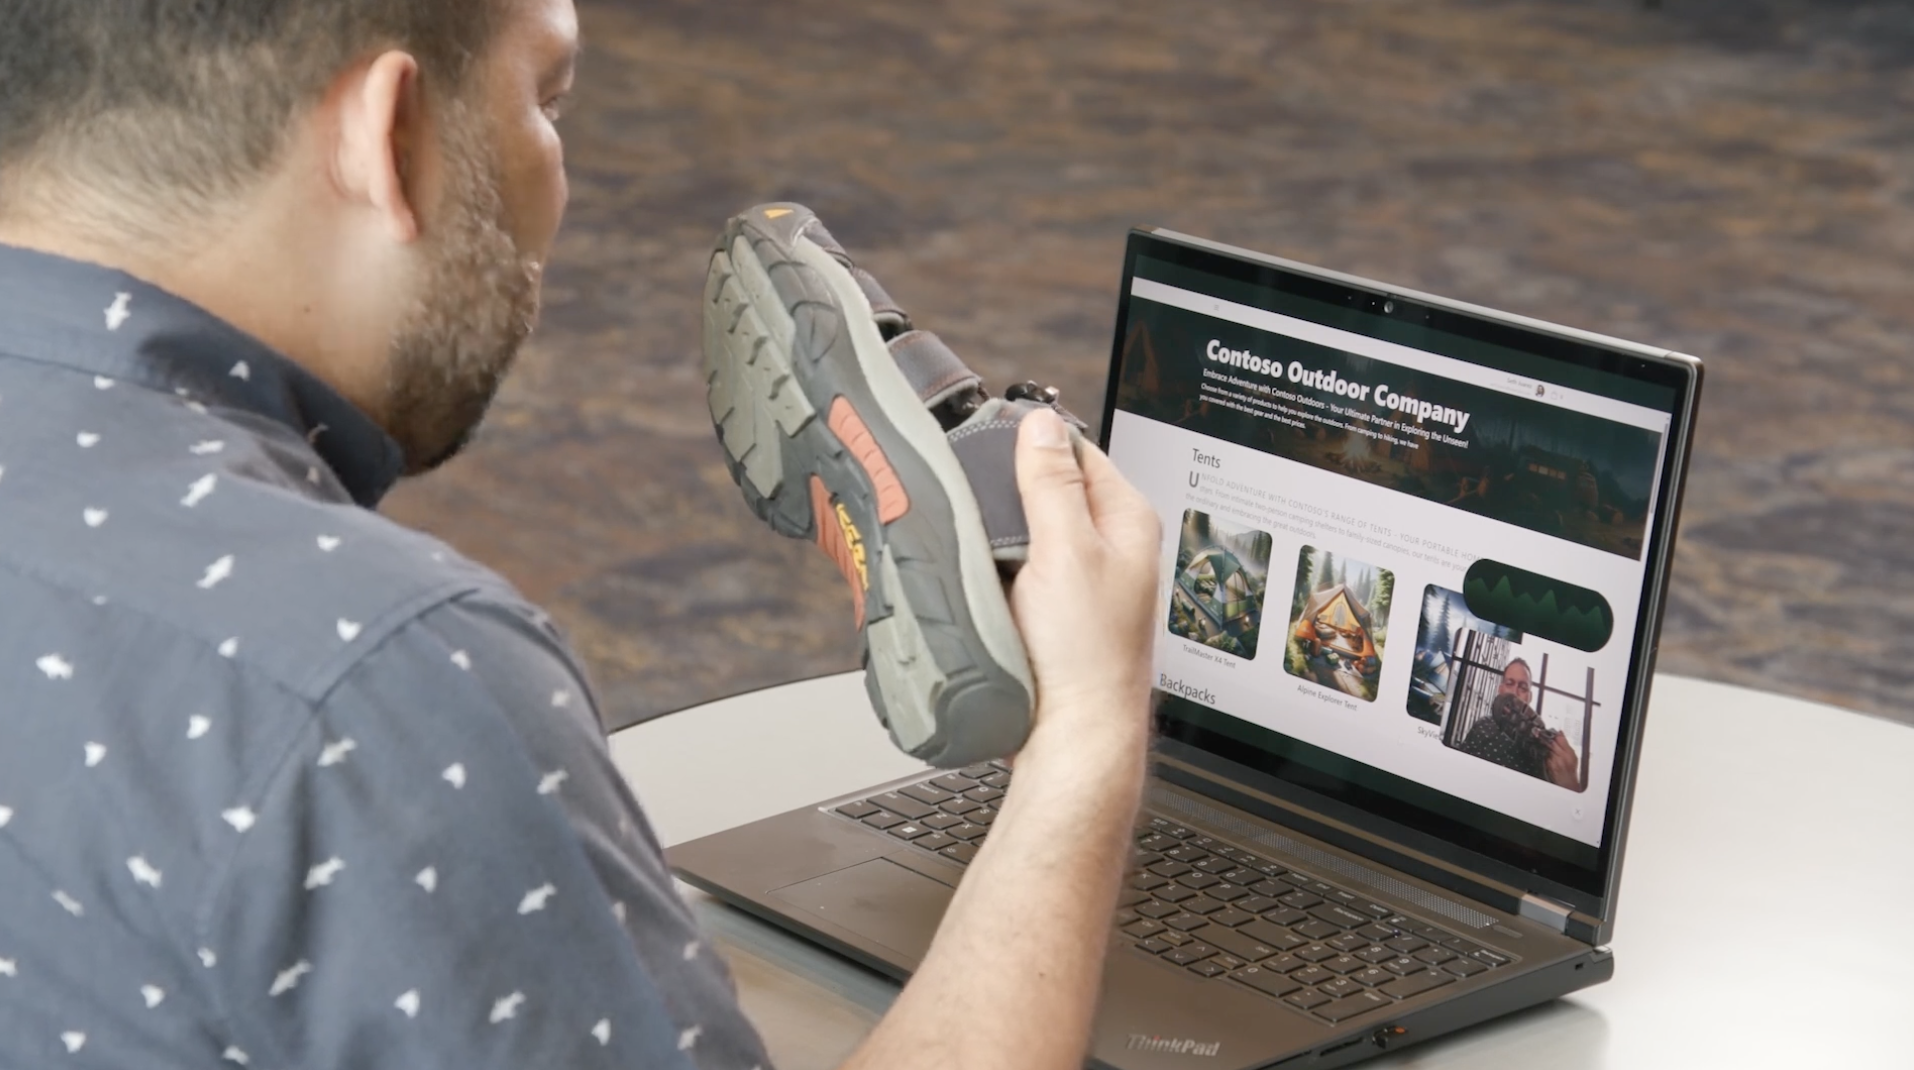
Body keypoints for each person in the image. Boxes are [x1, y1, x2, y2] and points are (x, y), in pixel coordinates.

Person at [0, 2, 1161, 1068]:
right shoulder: (371, 674)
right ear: (383, 132)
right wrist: (1085, 739)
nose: (561, 179)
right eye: (545, 103)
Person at [1456, 659, 1583, 789]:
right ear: (1500, 690)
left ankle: (1535, 736)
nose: (1515, 692)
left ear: (1529, 697)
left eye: (1523, 687)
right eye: (1509, 683)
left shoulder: (1550, 751)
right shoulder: (1482, 724)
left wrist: (1570, 782)